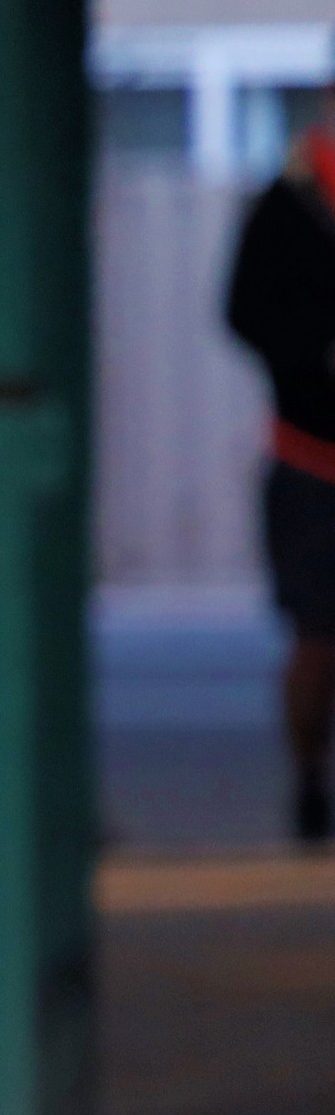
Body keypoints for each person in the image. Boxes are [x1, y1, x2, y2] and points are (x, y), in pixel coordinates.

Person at [224, 103, 335, 846]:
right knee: (317, 639)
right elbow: (243, 310)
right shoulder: (289, 205)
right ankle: (309, 780)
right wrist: (311, 358)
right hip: (311, 456)